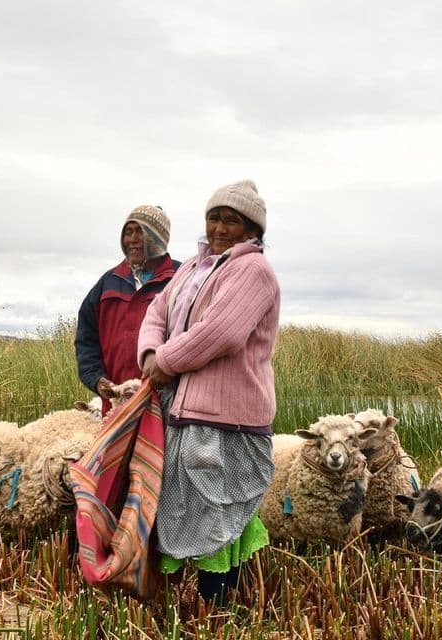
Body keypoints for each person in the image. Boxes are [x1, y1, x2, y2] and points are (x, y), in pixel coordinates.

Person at [137, 179, 280, 606]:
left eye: (230, 220)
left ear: (252, 230)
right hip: (184, 410)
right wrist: (148, 352)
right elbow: (156, 310)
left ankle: (217, 607)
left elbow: (221, 333)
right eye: (213, 217)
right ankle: (197, 603)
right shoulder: (194, 266)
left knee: (219, 514)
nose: (219, 227)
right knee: (186, 510)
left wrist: (164, 362)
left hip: (226, 418)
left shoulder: (253, 270)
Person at [75, 205, 179, 415]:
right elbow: (86, 339)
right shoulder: (109, 282)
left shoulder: (181, 279)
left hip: (166, 405)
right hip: (117, 406)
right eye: (128, 232)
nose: (132, 239)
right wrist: (95, 379)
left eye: (141, 232)